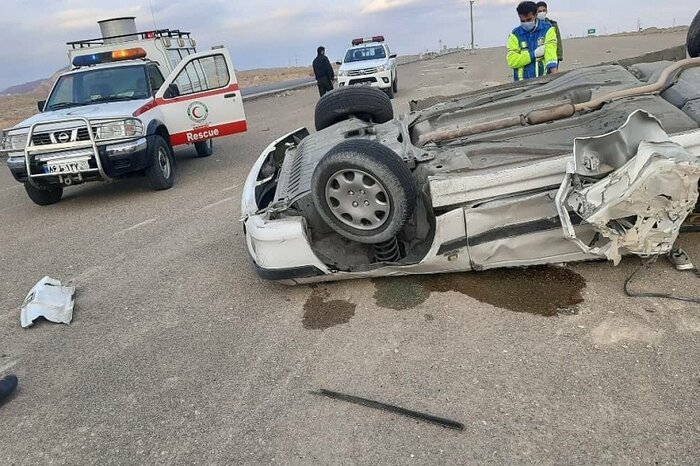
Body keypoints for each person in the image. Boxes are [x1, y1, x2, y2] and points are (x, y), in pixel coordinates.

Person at [506, 1, 559, 81]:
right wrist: (533, 55)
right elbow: (512, 61)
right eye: (522, 21)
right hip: (521, 84)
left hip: (544, 82)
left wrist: (556, 77)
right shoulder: (515, 35)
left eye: (529, 19)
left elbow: (550, 55)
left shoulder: (547, 30)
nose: (526, 23)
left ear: (535, 15)